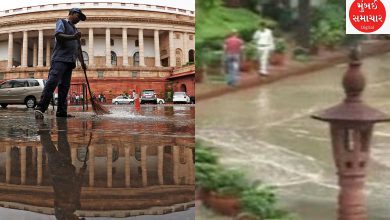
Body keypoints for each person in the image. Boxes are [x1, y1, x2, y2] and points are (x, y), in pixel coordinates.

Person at [35, 8, 87, 119]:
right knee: (52, 82)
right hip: (60, 59)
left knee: (64, 87)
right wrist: (73, 37)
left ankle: (61, 112)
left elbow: (78, 49)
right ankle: (40, 108)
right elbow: (58, 35)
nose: (79, 20)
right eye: (78, 16)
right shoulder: (62, 22)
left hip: (70, 62)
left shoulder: (75, 30)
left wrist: (82, 62)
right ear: (72, 14)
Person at [37, 118, 87, 220]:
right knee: (60, 141)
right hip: (65, 167)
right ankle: (54, 126)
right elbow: (78, 186)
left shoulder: (63, 212)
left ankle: (43, 129)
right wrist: (81, 172)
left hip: (59, 171)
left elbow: (77, 187)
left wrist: (81, 173)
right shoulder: (70, 208)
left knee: (51, 149)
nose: (78, 218)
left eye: (77, 219)